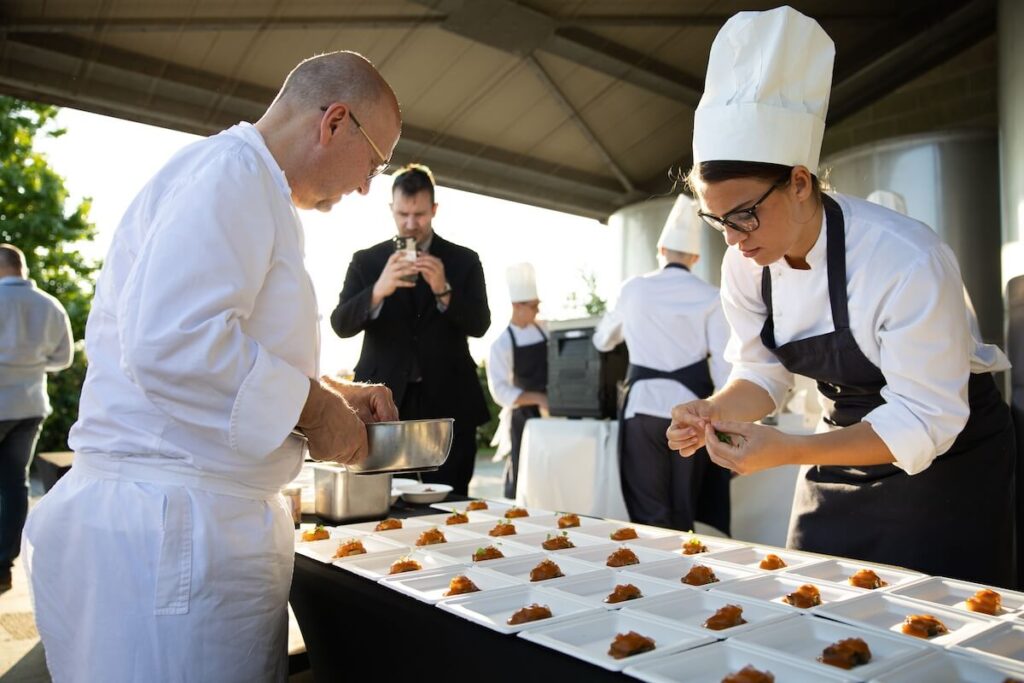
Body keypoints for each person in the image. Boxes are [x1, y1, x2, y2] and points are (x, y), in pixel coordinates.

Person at [24, 51, 403, 681]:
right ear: (334, 121)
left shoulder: (248, 184)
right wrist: (314, 413)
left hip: (187, 525)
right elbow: (174, 343)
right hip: (172, 535)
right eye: (375, 161)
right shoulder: (232, 175)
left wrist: (334, 392)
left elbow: (229, 345)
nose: (367, 185)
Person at [667, 6, 1015, 586]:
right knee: (813, 603)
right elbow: (762, 373)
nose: (732, 239)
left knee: (937, 636)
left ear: (800, 182)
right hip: (836, 447)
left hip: (947, 463)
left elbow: (925, 418)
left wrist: (787, 449)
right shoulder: (744, 265)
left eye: (745, 215)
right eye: (717, 219)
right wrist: (717, 409)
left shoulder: (903, 259)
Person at [331, 164, 491, 495]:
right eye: (403, 213)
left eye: (419, 214)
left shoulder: (464, 260)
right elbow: (340, 324)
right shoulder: (367, 261)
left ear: (434, 210)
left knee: (452, 501)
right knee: (381, 502)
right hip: (384, 403)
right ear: (392, 209)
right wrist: (377, 291)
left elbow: (480, 325)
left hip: (450, 403)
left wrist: (444, 291)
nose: (410, 223)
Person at [593, 198, 732, 533]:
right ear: (695, 258)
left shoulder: (634, 288)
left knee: (649, 516)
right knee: (684, 511)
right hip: (690, 413)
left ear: (660, 249)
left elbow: (602, 340)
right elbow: (724, 366)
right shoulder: (712, 296)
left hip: (641, 409)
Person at [0, 244, 72, 592]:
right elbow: (64, 359)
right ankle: (4, 564)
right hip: (29, 405)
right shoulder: (51, 305)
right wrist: (30, 364)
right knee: (15, 484)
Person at [486, 263, 548, 498]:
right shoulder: (501, 343)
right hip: (523, 416)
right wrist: (538, 398)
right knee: (522, 471)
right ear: (516, 306)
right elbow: (500, 390)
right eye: (533, 306)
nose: (537, 311)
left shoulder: (545, 330)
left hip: (548, 414)